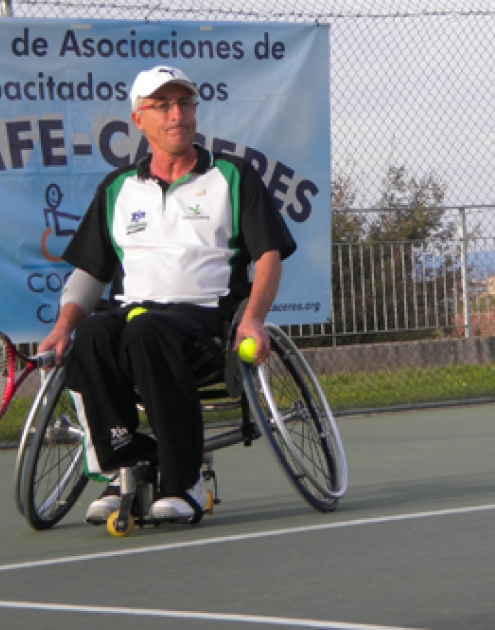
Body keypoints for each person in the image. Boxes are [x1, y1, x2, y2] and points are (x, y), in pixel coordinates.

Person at [39, 65, 296, 525]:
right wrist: (62, 328)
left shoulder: (233, 176)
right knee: (95, 334)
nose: (177, 115)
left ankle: (184, 481)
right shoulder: (118, 189)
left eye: (184, 104)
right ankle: (126, 463)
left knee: (145, 330)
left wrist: (254, 319)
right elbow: (91, 271)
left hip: (204, 324)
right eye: (163, 106)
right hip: (134, 315)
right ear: (139, 120)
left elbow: (269, 256)